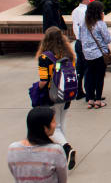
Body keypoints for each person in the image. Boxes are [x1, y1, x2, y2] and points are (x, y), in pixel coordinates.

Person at [36, 26, 76, 169]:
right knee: (61, 123)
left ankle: (66, 148)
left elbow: (44, 80)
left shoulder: (45, 57)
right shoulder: (69, 54)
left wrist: (36, 88)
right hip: (67, 93)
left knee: (53, 126)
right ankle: (61, 152)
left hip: (51, 95)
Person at [7, 107, 68, 183]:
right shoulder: (55, 151)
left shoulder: (13, 149)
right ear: (45, 128)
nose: (55, 124)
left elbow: (15, 175)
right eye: (53, 121)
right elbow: (62, 180)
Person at [79, 1, 110, 109]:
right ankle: (98, 100)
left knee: (90, 76)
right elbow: (108, 39)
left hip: (87, 54)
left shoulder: (83, 23)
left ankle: (90, 99)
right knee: (99, 77)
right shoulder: (100, 24)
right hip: (99, 54)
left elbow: (81, 38)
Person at [70, 0, 89, 100]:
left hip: (78, 42)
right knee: (87, 69)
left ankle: (79, 91)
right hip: (84, 42)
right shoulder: (85, 11)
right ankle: (89, 93)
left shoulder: (75, 11)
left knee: (80, 68)